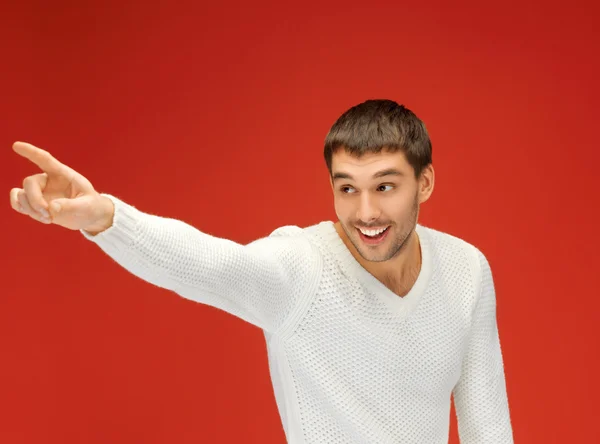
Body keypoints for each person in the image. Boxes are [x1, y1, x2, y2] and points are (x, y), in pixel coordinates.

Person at [9, 99, 514, 443]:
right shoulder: (302, 268)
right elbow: (209, 263)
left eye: (385, 187)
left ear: (424, 183)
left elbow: (487, 425)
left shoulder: (466, 270)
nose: (364, 212)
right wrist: (109, 219)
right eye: (346, 188)